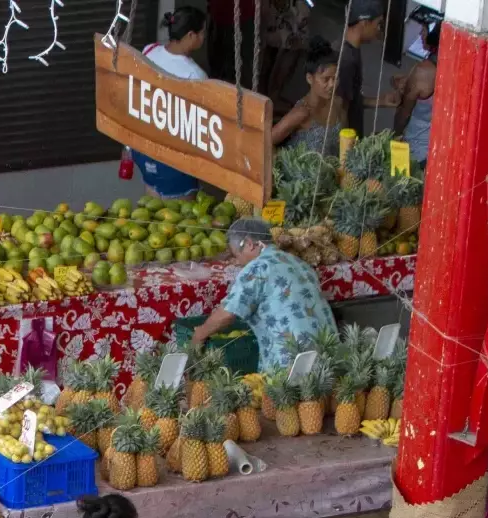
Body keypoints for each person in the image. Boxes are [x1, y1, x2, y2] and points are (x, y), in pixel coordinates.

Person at [191, 217, 336, 373]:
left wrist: (200, 334)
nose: (238, 262)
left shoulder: (258, 267)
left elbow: (228, 313)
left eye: (236, 255)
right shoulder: (299, 262)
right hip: (330, 355)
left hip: (293, 363)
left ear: (249, 244)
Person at [129, 8, 209, 201]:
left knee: (152, 210)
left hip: (143, 149)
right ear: (191, 35)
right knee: (179, 223)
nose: (204, 37)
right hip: (172, 160)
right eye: (203, 32)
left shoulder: (149, 50)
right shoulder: (195, 75)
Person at [335, 0, 403, 140]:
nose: (379, 30)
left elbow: (352, 98)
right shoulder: (346, 60)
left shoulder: (351, 50)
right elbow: (341, 108)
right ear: (364, 23)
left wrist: (381, 101)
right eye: (378, 24)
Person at [270, 38, 343, 153]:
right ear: (309, 78)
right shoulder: (301, 113)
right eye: (326, 79)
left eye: (336, 78)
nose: (332, 85)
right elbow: (266, 142)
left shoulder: (338, 103)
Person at [392, 23, 439, 168]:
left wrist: (394, 137)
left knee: (399, 184)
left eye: (424, 30)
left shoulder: (423, 71)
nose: (420, 35)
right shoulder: (452, 68)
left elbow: (404, 114)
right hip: (438, 152)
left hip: (415, 152)